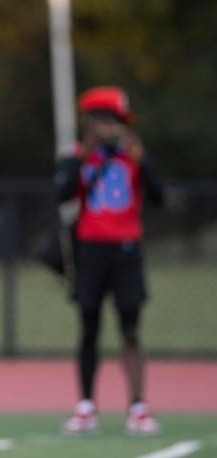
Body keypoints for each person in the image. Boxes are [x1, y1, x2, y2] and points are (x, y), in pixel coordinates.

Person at [55, 87, 165, 436]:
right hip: (90, 249)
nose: (106, 126)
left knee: (130, 328)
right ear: (88, 123)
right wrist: (86, 152)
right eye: (100, 119)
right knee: (89, 326)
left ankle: (137, 406)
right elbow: (62, 192)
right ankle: (86, 406)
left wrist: (141, 159)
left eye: (112, 120)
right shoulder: (78, 155)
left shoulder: (132, 154)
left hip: (126, 248)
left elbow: (160, 197)